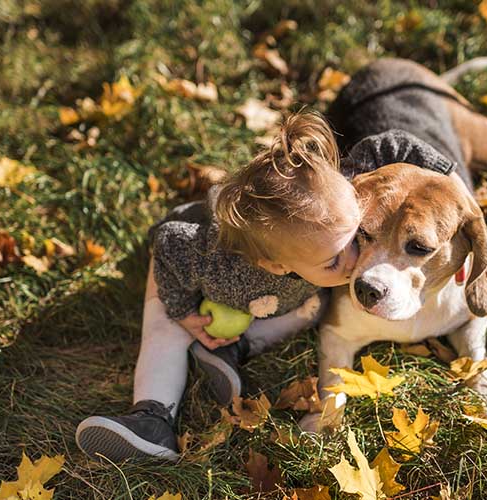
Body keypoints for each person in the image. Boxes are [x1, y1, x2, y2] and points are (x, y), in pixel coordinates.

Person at [75, 111, 458, 462]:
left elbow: (391, 144)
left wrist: (450, 180)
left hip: (280, 291)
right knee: (165, 331)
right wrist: (183, 311)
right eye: (334, 261)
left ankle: (234, 349)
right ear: (279, 265)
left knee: (313, 308)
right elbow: (169, 244)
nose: (357, 262)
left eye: (358, 236)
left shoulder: (339, 202)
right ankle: (152, 417)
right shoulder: (226, 270)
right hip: (186, 271)